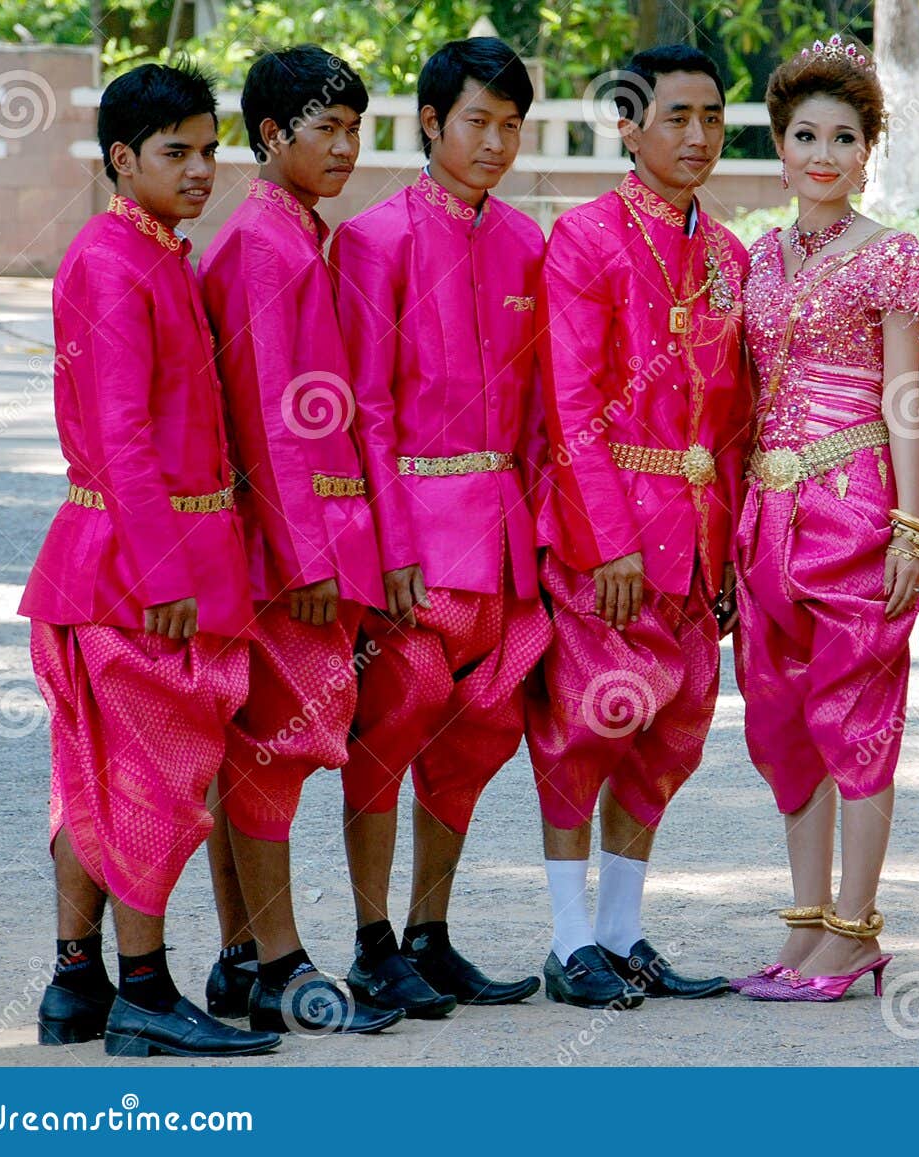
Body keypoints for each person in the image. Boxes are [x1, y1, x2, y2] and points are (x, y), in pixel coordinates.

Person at [25, 62, 280, 1058]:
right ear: (123, 158)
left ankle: (75, 981)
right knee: (151, 780)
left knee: (94, 773)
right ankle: (142, 988)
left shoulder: (155, 252)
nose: (202, 168)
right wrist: (168, 572)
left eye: (211, 150)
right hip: (141, 564)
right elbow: (123, 435)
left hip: (125, 555)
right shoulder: (109, 260)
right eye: (177, 151)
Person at [331, 36, 549, 1018]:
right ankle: (372, 940)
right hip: (414, 529)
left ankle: (430, 931)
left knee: (475, 732)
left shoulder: (524, 244)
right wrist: (389, 549)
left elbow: (542, 415)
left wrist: (541, 537)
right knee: (393, 722)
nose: (495, 143)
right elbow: (362, 409)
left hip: (499, 531)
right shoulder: (374, 239)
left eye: (511, 126)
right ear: (430, 122)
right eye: (477, 122)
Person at [527, 44, 749, 1009]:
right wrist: (607, 536)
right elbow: (569, 404)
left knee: (671, 735)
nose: (697, 136)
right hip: (606, 531)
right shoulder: (584, 239)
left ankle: (620, 932)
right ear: (628, 124)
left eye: (711, 118)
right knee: (585, 727)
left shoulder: (732, 254)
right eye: (676, 118)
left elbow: (737, 417)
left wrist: (731, 542)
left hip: (699, 535)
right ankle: (568, 939)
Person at [198, 45, 402, 1037]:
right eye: (328, 129)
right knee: (271, 754)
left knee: (262, 748)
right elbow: (266, 420)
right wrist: (308, 557)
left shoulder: (293, 234)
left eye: (358, 129)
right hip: (289, 551)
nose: (349, 148)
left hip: (311, 539)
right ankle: (281, 964)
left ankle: (242, 956)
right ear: (273, 135)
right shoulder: (263, 246)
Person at [729, 35, 919, 1003]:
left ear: (867, 151)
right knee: (779, 719)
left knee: (854, 714)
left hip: (853, 498)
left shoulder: (892, 254)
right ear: (778, 143)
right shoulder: (756, 257)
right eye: (804, 133)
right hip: (766, 509)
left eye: (843, 136)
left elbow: (906, 395)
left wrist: (910, 524)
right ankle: (806, 920)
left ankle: (856, 930)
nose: (822, 152)